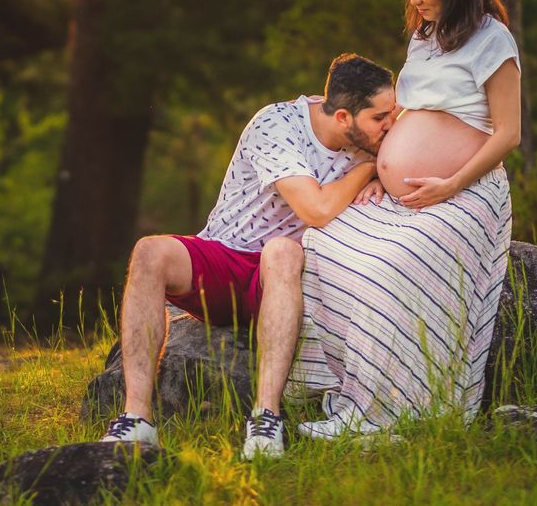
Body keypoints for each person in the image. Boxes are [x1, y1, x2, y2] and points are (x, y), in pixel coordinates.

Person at [99, 53, 397, 459]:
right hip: (226, 256)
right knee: (149, 251)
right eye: (381, 118)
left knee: (282, 251)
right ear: (344, 117)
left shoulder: (376, 139)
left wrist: (383, 170)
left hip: (283, 275)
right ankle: (137, 418)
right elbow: (316, 209)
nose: (390, 125)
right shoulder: (277, 125)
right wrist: (367, 170)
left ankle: (265, 417)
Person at [286, 0, 521, 439]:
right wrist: (381, 172)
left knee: (393, 266)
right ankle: (338, 390)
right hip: (406, 194)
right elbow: (410, 112)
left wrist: (452, 183)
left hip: (465, 191)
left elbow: (508, 133)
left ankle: (384, 411)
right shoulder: (424, 38)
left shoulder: (493, 40)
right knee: (323, 243)